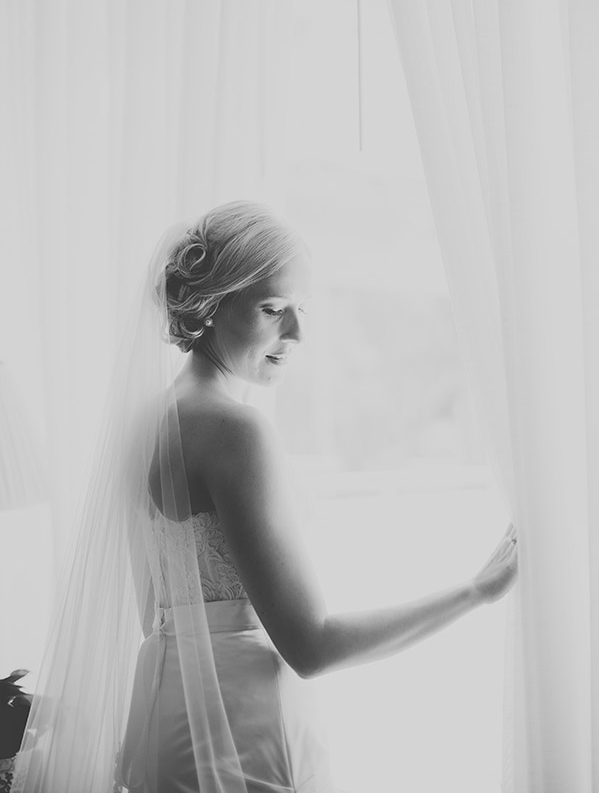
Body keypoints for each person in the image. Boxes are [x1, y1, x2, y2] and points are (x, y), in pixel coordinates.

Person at [13, 200, 517, 793]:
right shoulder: (236, 431)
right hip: (245, 731)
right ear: (209, 306)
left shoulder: (145, 423)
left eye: (303, 309)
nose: (297, 333)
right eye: (273, 309)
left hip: (162, 718)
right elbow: (311, 646)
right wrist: (476, 592)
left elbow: (155, 613)